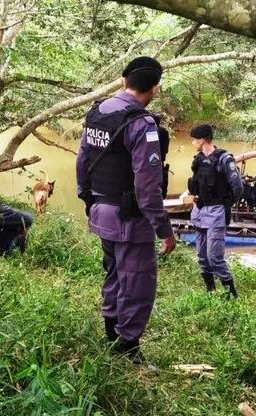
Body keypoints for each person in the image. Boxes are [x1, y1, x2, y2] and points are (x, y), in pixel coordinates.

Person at [76, 56, 176, 362]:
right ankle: (127, 346)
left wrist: (87, 200)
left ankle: (110, 332)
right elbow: (148, 188)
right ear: (155, 88)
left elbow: (82, 162)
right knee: (137, 282)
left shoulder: (97, 112)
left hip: (101, 212)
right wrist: (165, 232)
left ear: (123, 81)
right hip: (130, 219)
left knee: (115, 273)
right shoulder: (141, 123)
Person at [187, 124, 244, 298]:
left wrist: (226, 204)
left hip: (217, 211)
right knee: (202, 257)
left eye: (194, 140)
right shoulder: (197, 160)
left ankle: (231, 294)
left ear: (202, 140)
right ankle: (210, 291)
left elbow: (238, 187)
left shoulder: (224, 159)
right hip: (199, 210)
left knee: (214, 257)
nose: (192, 143)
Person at [153, 114, 171, 198]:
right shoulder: (164, 131)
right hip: (161, 159)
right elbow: (166, 147)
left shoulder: (151, 131)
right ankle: (162, 195)